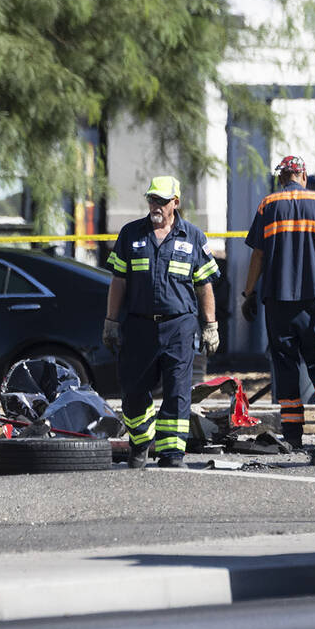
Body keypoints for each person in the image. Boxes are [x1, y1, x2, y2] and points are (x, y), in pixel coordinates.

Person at [102, 176, 220, 469]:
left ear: (175, 203)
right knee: (132, 390)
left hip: (179, 327)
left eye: (162, 201)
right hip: (139, 327)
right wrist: (111, 322)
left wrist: (210, 326)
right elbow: (118, 281)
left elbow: (204, 285)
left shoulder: (192, 236)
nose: (156, 205)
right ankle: (141, 439)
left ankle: (171, 454)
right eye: (152, 199)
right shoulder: (131, 234)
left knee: (177, 392)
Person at [240, 155, 315, 449]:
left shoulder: (268, 205)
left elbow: (258, 256)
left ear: (281, 178)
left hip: (278, 302)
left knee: (286, 366)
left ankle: (292, 434)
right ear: (303, 176)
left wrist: (249, 293)